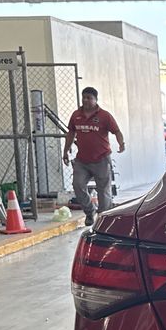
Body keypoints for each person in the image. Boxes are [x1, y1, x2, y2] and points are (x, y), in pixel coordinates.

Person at [63, 86, 125, 226]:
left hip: (101, 159)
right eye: (84, 97)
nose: (86, 100)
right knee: (78, 185)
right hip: (82, 160)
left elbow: (116, 131)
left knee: (104, 191)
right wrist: (66, 151)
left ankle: (103, 218)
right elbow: (71, 133)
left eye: (89, 98)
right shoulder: (76, 115)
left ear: (96, 100)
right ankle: (89, 212)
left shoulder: (104, 116)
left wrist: (121, 144)